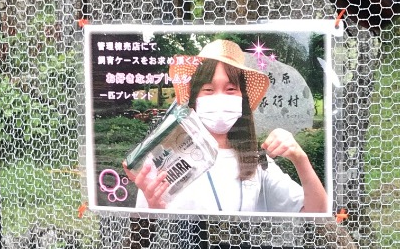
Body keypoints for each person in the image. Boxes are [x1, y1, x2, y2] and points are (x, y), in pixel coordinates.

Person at [125, 39, 328, 214]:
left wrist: (300, 159)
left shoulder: (256, 162)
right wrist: (152, 208)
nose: (220, 97)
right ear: (194, 99)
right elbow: (145, 232)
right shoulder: (165, 158)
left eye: (231, 89)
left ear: (242, 99)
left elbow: (316, 211)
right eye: (208, 89)